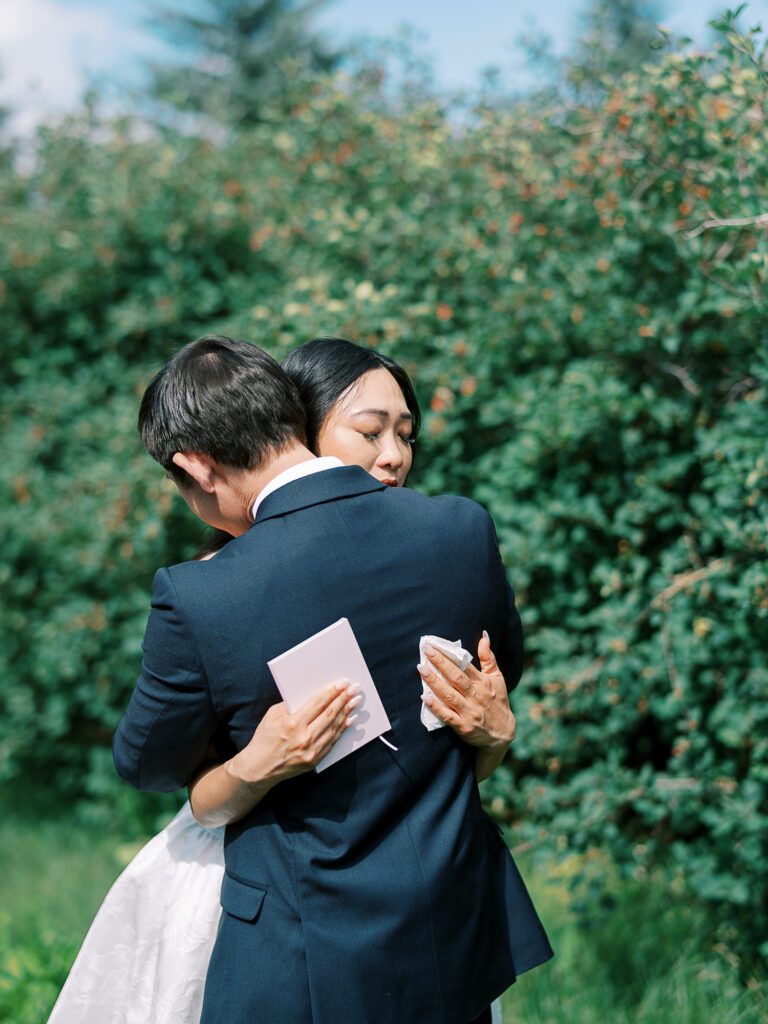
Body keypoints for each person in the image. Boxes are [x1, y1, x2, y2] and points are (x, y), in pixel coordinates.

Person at [58, 335, 551, 1023]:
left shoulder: (205, 596)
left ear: (195, 466)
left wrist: (248, 764)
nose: (393, 452)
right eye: (373, 429)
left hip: (303, 962)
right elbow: (488, 695)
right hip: (453, 943)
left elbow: (147, 761)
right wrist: (496, 738)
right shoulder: (461, 529)